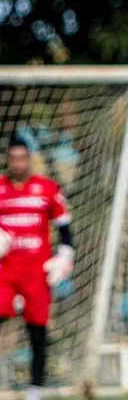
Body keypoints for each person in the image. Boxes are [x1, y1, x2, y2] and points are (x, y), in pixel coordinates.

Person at [0, 136, 75, 400]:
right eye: (13, 158)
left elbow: (65, 231)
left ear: (29, 159)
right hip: (5, 273)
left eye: (23, 158)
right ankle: (13, 304)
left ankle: (35, 392)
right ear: (8, 160)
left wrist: (65, 258)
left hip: (36, 274)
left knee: (38, 332)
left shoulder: (47, 188)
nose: (18, 163)